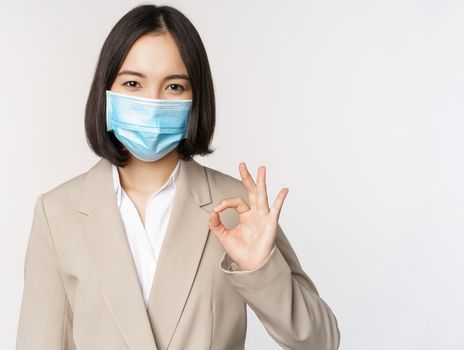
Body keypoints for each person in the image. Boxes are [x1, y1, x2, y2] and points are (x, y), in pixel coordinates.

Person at [16, 4, 340, 349]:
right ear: (106, 94)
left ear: (195, 99)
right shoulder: (58, 213)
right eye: (132, 83)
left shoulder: (237, 208)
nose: (152, 102)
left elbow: (320, 341)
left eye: (173, 87)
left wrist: (260, 267)